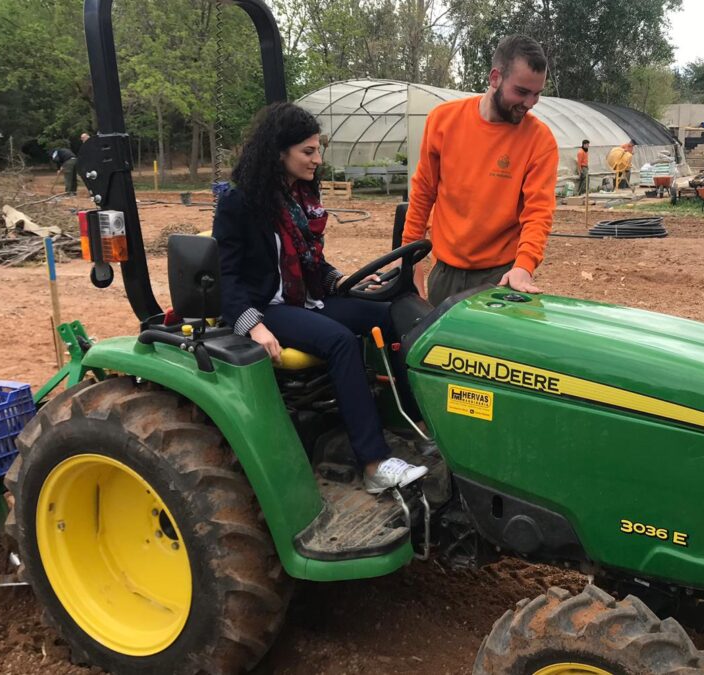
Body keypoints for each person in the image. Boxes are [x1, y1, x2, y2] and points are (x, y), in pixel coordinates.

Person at [213, 102, 428, 495]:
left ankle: (410, 421)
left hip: (304, 300)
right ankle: (374, 464)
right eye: (308, 152)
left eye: (318, 150)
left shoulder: (299, 200)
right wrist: (253, 326)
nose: (318, 160)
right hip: (267, 308)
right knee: (339, 341)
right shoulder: (238, 203)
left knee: (386, 314)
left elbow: (314, 264)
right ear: (279, 152)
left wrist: (344, 282)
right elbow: (228, 276)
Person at [402, 34, 558, 307]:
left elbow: (538, 212)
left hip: (500, 276)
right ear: (495, 77)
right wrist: (409, 262)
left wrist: (524, 265)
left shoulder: (540, 141)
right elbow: (424, 193)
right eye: (522, 92)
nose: (530, 103)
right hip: (445, 273)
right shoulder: (443, 121)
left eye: (537, 94)